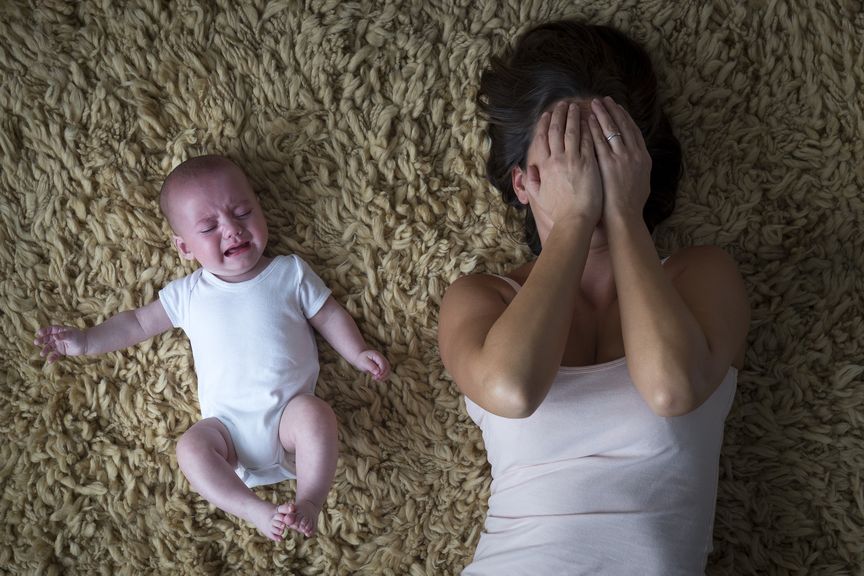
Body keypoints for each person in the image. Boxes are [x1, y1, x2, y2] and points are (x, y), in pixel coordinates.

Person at [438, 20, 749, 575]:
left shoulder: (701, 275)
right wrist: (575, 220)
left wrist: (624, 214)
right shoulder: (480, 298)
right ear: (522, 183)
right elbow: (512, 388)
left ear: (640, 163)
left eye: (606, 146)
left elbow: (672, 387)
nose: (590, 170)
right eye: (566, 154)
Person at [34, 155, 390, 541]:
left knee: (317, 415)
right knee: (190, 447)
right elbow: (137, 322)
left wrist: (356, 352)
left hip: (290, 422)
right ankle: (252, 509)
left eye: (242, 212)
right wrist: (86, 341)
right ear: (185, 247)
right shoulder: (189, 293)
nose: (232, 230)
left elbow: (329, 315)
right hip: (227, 436)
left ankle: (309, 502)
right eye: (209, 227)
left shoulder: (289, 272)